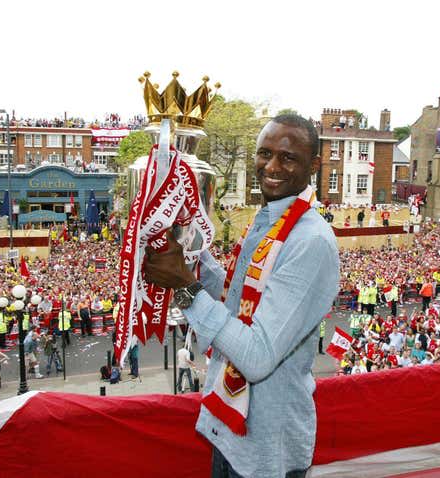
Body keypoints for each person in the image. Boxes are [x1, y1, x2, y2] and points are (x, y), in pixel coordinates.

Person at [143, 114, 340, 478]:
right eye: (265, 153)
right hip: (228, 431)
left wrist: (184, 286)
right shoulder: (267, 221)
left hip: (266, 450)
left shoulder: (310, 240)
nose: (272, 166)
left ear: (313, 166)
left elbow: (256, 355)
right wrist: (189, 251)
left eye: (288, 157)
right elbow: (235, 303)